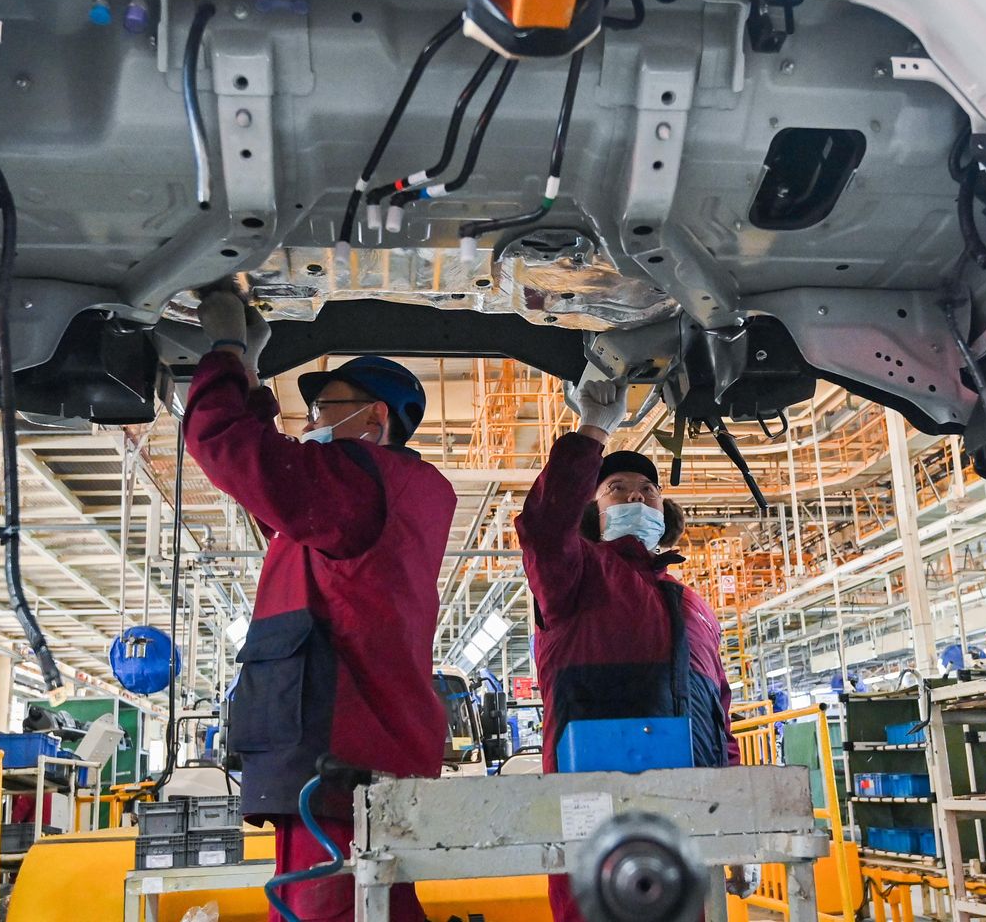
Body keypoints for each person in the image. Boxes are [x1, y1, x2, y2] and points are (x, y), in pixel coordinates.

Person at [184, 283, 456, 922]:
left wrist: (224, 352)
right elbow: (270, 465)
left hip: (336, 763)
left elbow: (225, 443)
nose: (307, 426)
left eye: (322, 410)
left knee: (334, 908)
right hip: (348, 762)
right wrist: (247, 376)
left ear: (374, 420)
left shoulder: (357, 485)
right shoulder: (382, 494)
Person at [514, 379, 748, 922]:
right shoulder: (575, 576)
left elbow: (718, 713)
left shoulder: (691, 603)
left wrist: (736, 816)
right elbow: (545, 530)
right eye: (616, 487)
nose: (636, 496)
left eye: (647, 489)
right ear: (591, 509)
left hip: (689, 810)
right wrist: (592, 430)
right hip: (591, 810)